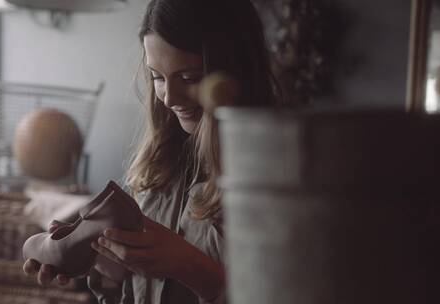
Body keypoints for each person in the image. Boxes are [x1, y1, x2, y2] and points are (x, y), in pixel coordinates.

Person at [23, 0, 278, 303]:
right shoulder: (163, 167)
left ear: (234, 70)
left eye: (189, 78)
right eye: (158, 77)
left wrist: (191, 266)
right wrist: (110, 262)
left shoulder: (277, 181)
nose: (169, 98)